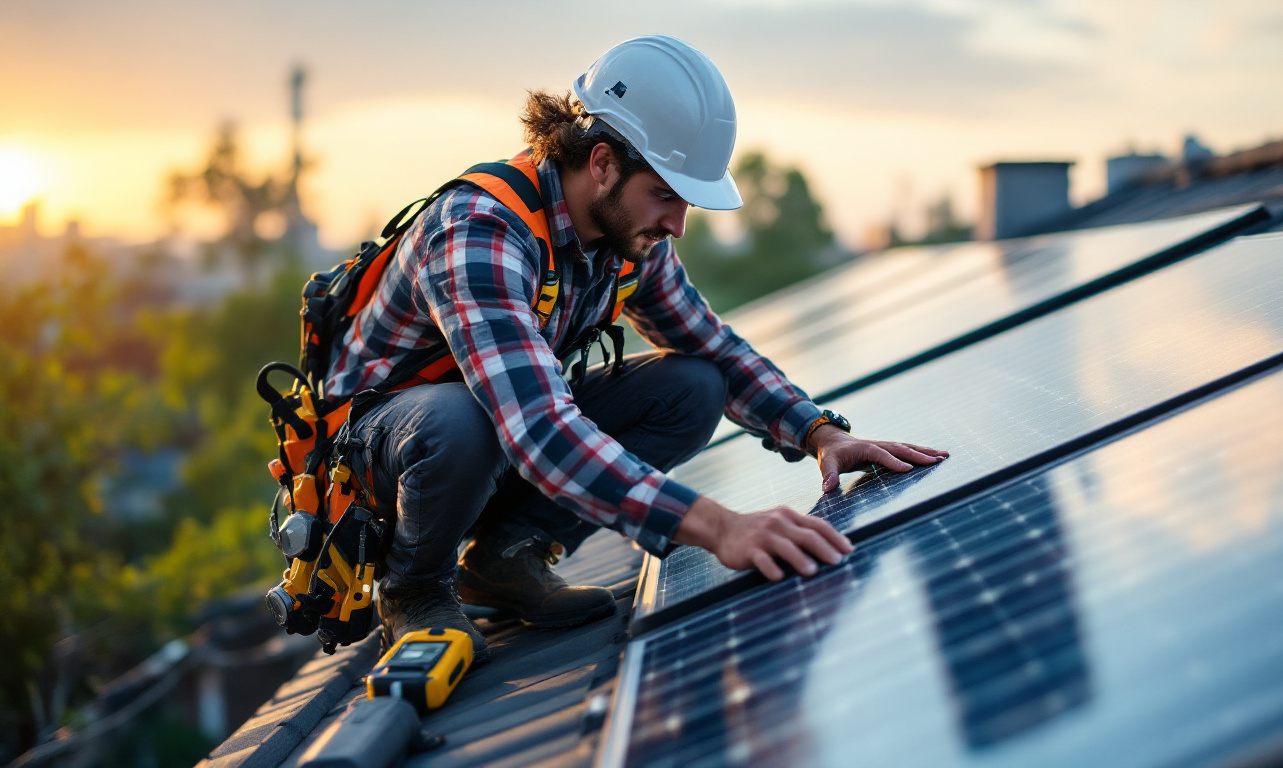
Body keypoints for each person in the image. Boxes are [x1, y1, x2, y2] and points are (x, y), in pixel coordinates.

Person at [324, 35, 947, 663]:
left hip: (498, 434)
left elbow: (716, 349)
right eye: (667, 195)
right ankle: (415, 587)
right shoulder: (479, 233)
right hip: (391, 459)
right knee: (459, 420)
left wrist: (819, 433)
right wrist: (718, 526)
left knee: (694, 385)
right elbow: (539, 427)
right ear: (602, 162)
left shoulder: (626, 240)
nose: (677, 224)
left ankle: (505, 557)